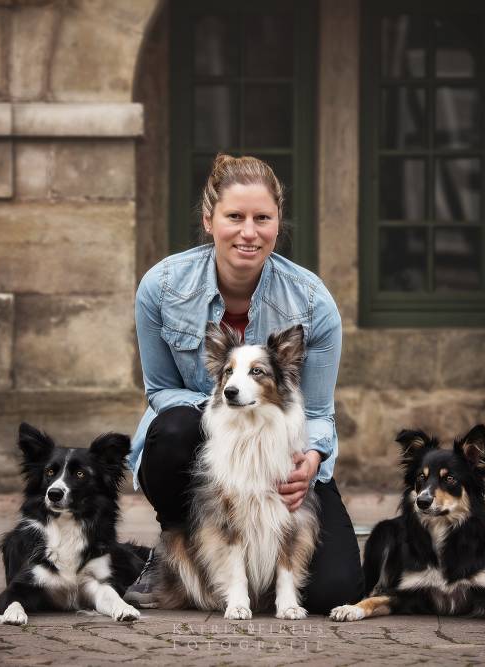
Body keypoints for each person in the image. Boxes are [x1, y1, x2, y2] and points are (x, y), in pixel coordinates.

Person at [124, 154, 363, 614]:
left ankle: (268, 572)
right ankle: (176, 545)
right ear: (209, 220)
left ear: (278, 222)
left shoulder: (313, 302)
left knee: (336, 589)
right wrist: (224, 406)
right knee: (173, 429)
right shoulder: (162, 286)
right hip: (207, 445)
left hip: (281, 451)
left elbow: (318, 413)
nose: (248, 232)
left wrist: (310, 461)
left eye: (262, 218)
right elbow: (159, 391)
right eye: (235, 217)